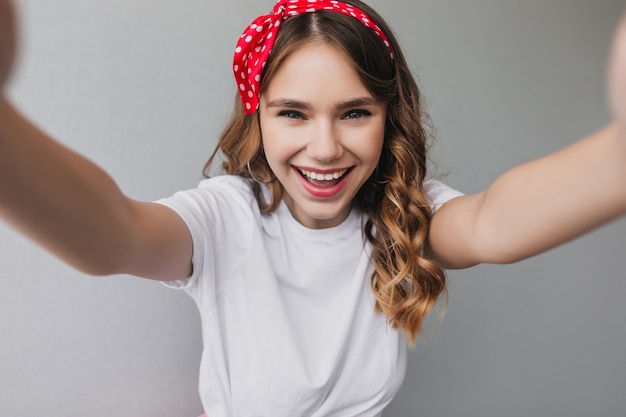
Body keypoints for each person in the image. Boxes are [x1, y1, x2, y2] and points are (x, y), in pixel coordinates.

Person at [0, 0, 625, 416]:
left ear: (389, 118)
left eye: (355, 113)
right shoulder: (227, 220)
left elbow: (494, 225)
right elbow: (115, 234)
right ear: (260, 117)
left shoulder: (401, 215)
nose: (324, 149)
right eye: (293, 113)